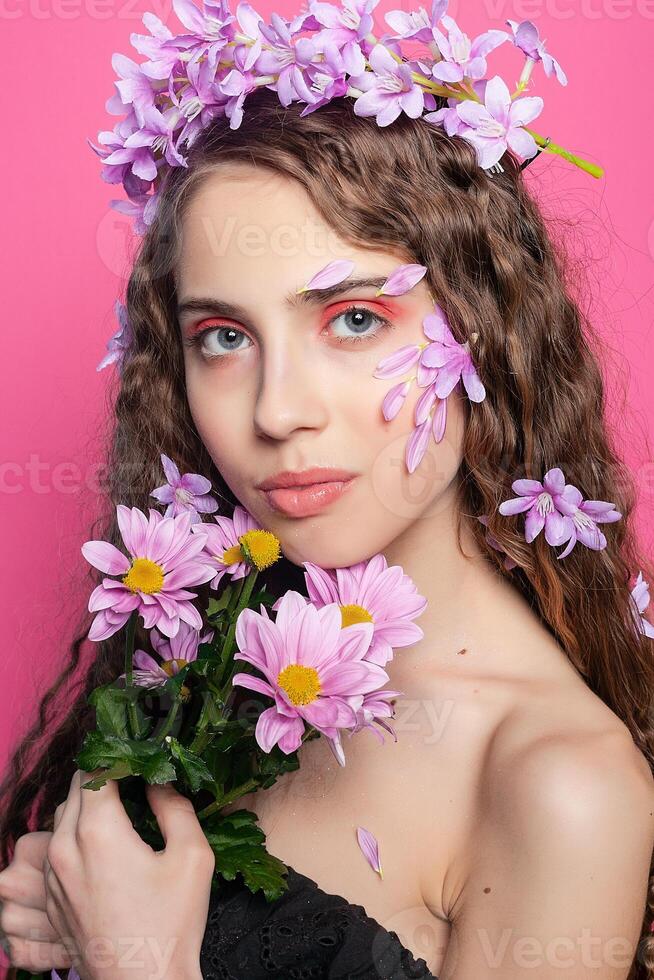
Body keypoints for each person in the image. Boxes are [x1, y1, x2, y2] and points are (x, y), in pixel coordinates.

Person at [1, 79, 654, 980]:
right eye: (224, 338)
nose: (277, 412)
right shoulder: (217, 657)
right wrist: (78, 910)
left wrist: (138, 963)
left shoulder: (562, 786)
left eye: (354, 319)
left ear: (487, 332)